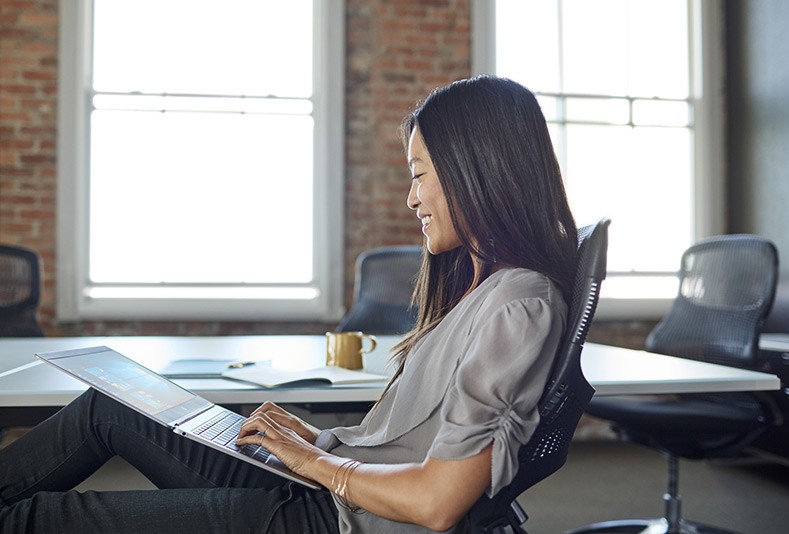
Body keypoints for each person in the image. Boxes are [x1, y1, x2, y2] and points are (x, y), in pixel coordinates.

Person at [0, 75, 578, 533]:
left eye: (419, 174)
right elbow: (409, 441)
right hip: (331, 490)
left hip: (333, 517)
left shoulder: (516, 304)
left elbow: (438, 502)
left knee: (35, 520)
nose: (411, 197)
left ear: (473, 172)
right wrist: (316, 440)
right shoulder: (480, 292)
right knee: (112, 407)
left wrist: (317, 465)